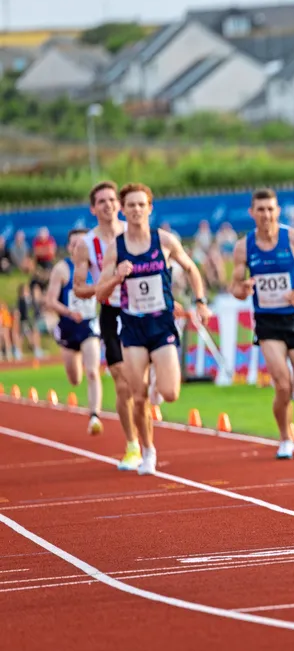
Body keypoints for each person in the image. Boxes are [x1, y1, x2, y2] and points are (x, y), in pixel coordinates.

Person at [93, 183, 211, 476]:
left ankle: (161, 374)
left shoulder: (165, 241)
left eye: (141, 204)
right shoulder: (116, 248)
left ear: (149, 208)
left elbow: (192, 269)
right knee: (138, 394)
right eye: (130, 205)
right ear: (124, 210)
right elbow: (99, 293)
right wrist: (116, 277)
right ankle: (147, 451)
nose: (136, 210)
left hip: (161, 324)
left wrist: (200, 301)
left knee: (170, 393)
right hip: (132, 327)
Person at [229, 188, 294, 459]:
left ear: (278, 211)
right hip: (267, 321)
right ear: (252, 213)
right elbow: (235, 287)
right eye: (260, 210)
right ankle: (285, 437)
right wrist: (244, 287)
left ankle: (289, 421)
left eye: (271, 209)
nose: (266, 214)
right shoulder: (244, 246)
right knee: (282, 384)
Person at [72, 181, 142, 470]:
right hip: (111, 312)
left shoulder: (135, 232)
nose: (108, 205)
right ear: (93, 208)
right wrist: (106, 285)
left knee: (143, 382)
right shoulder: (86, 244)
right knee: (122, 382)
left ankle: (147, 411)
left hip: (141, 310)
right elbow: (78, 288)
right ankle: (132, 445)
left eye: (112, 200)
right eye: (102, 201)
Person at [42, 229, 104, 435]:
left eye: (82, 243)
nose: (78, 247)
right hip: (69, 327)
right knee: (75, 378)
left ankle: (94, 416)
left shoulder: (96, 267)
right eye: (74, 244)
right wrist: (69, 312)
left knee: (93, 371)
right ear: (69, 247)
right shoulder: (62, 269)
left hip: (89, 325)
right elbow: (49, 301)